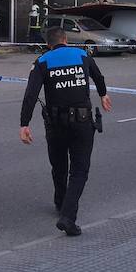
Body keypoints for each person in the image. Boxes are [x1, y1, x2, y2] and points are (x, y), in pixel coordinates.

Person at [19, 25, 112, 236]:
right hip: (82, 123)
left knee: (59, 166)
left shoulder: (42, 61)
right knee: (79, 171)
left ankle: (61, 203)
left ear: (48, 44)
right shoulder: (82, 55)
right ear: (66, 40)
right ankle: (68, 216)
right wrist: (103, 95)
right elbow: (98, 77)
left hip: (55, 124)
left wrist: (24, 124)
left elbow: (31, 95)